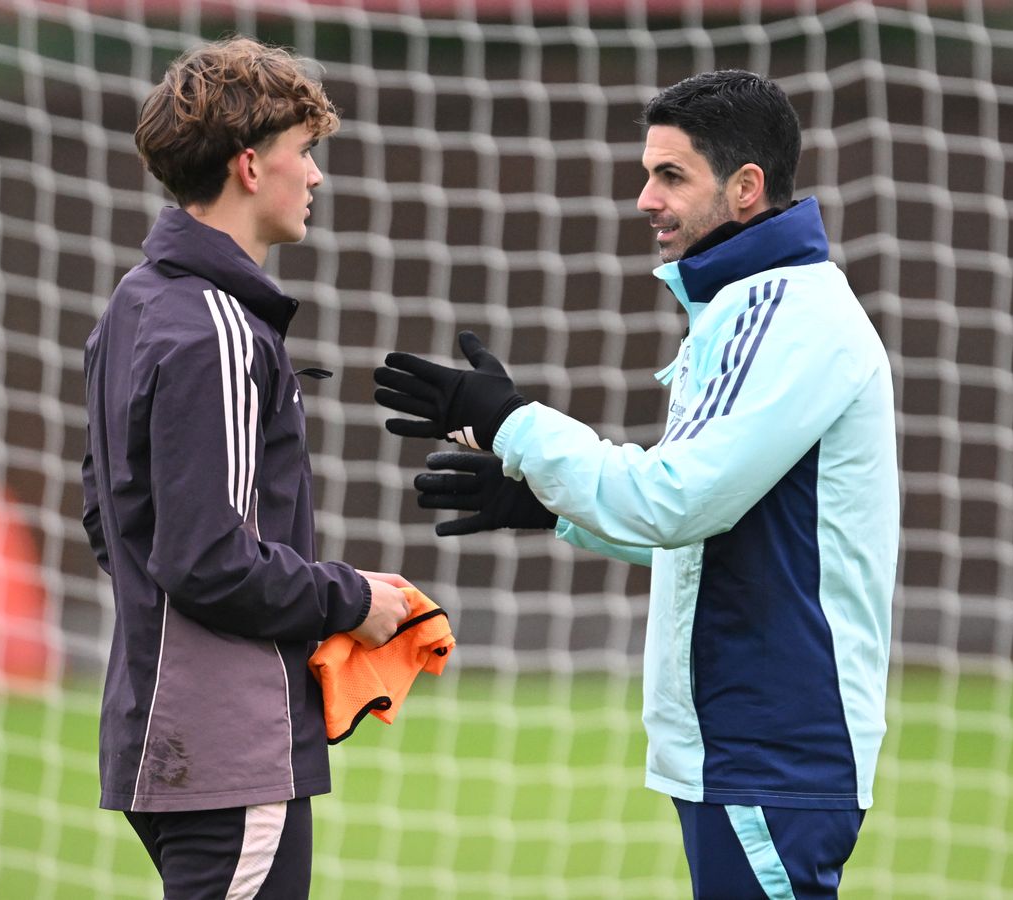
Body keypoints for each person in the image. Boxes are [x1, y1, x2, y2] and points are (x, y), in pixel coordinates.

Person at [373, 70, 899, 898]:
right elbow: (710, 531)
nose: (645, 198)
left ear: (746, 189)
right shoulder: (744, 306)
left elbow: (674, 501)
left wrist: (514, 423)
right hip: (744, 748)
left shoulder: (789, 314)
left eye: (671, 175)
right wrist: (546, 505)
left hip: (770, 746)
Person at [81, 37, 412, 899]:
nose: (317, 177)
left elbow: (105, 516)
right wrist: (353, 600)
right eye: (305, 152)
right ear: (249, 166)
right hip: (228, 750)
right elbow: (208, 557)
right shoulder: (215, 328)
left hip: (165, 733)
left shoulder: (134, 304)